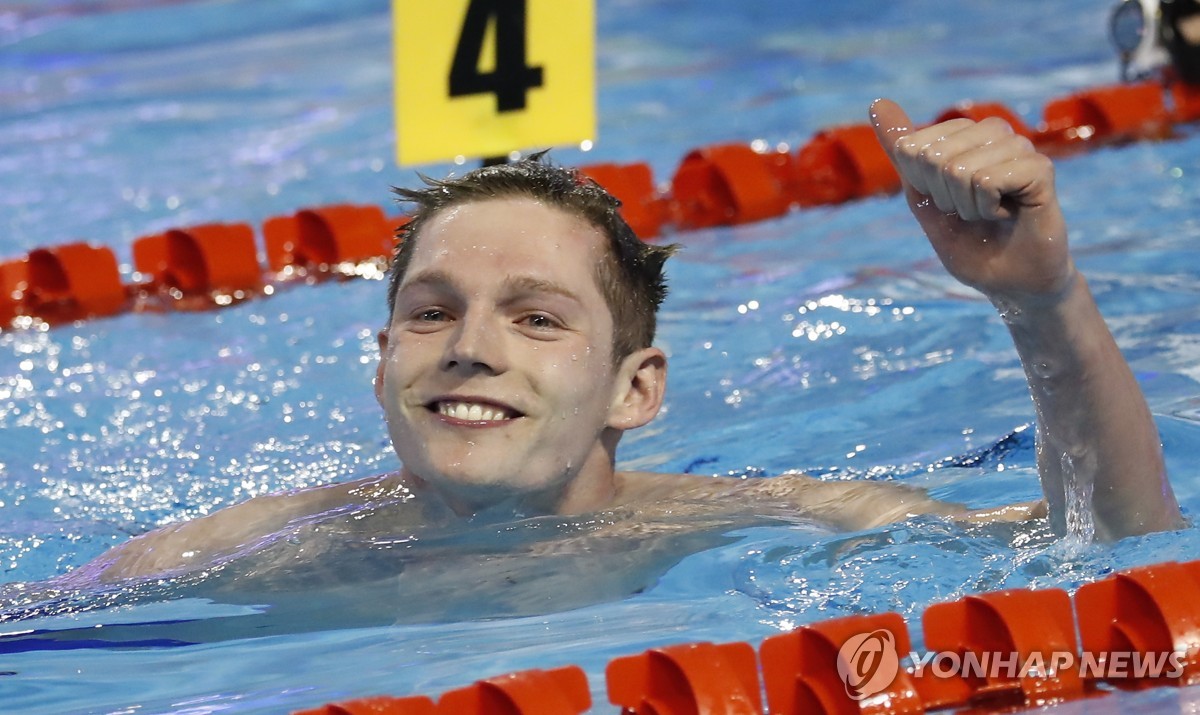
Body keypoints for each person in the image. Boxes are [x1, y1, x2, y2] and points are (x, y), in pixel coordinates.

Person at [59, 99, 1185, 590]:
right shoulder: (238, 555)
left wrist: (1046, 302)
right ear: (382, 361)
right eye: (431, 311)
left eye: (539, 317)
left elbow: (1116, 547)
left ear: (634, 388)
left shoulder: (759, 526)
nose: (469, 348)